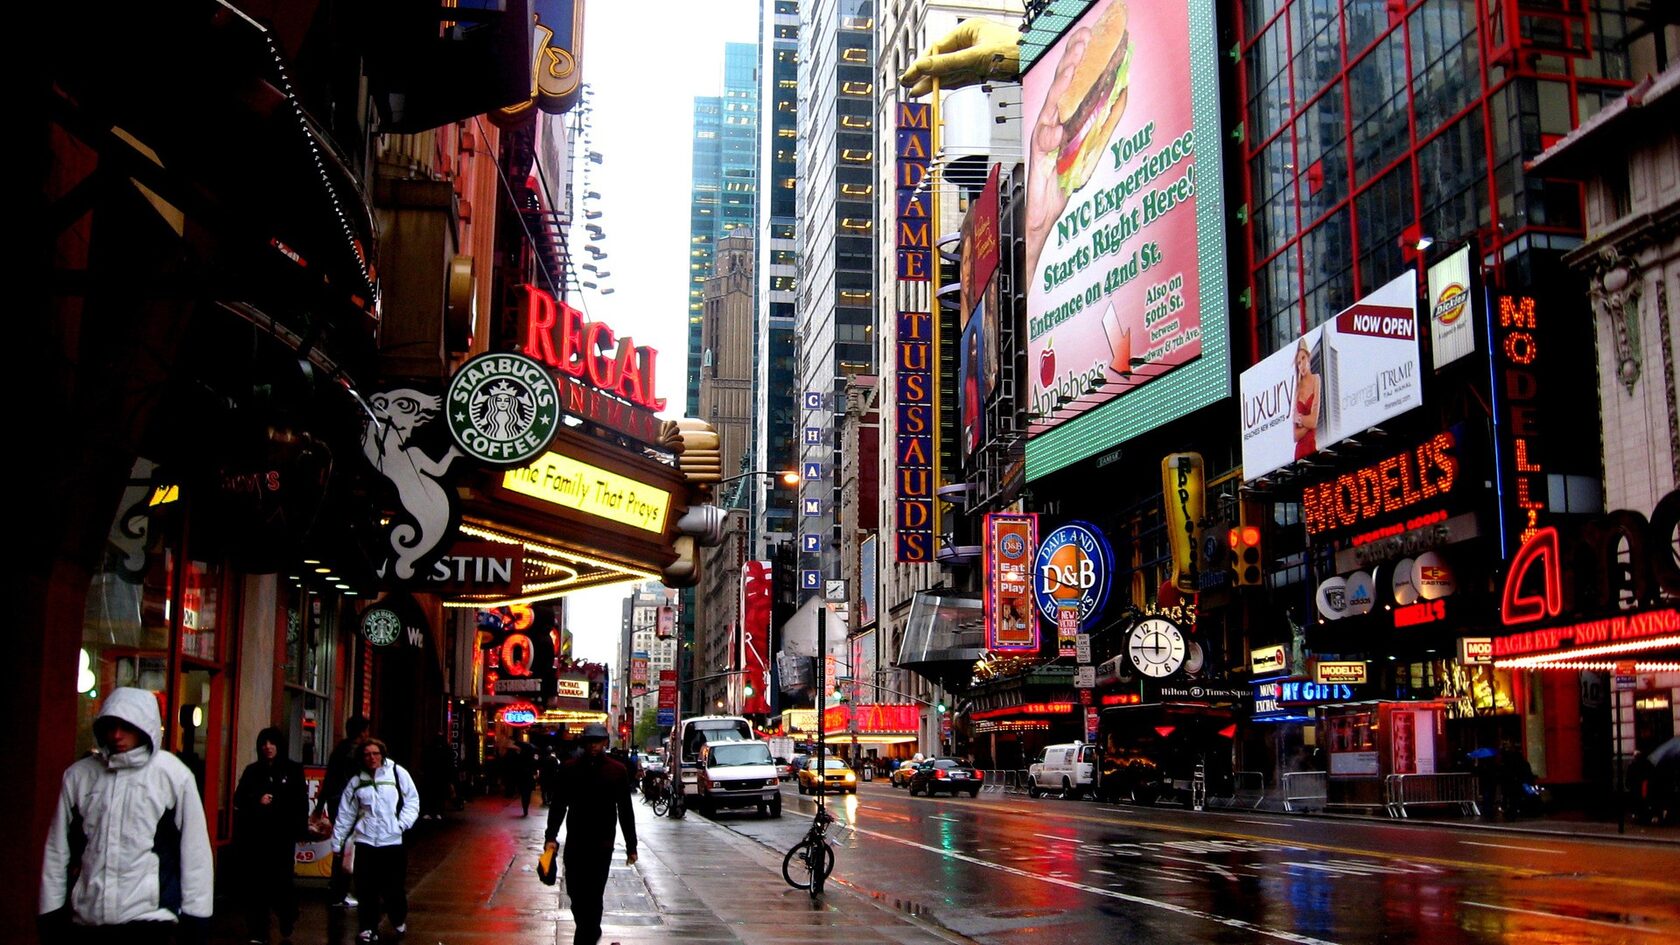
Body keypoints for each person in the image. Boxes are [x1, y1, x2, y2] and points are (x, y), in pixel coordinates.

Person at [39, 686, 214, 945]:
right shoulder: (79, 776)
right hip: (88, 921)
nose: (117, 735)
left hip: (151, 922)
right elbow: (57, 850)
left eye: (127, 727)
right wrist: (50, 912)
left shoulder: (172, 776)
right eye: (111, 727)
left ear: (145, 727)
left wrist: (197, 920)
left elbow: (195, 853)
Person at [543, 723, 637, 945]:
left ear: (604, 742)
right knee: (575, 893)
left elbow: (625, 810)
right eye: (590, 741)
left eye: (597, 741)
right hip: (576, 841)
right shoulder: (569, 769)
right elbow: (558, 805)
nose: (593, 746)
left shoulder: (617, 771)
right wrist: (551, 836)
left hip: (602, 843)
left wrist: (631, 845)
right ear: (584, 743)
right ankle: (590, 931)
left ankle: (586, 935)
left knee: (594, 894)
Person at [331, 738, 419, 943]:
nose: (371, 758)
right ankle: (368, 927)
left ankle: (398, 918)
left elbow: (412, 800)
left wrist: (401, 824)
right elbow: (346, 813)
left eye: (375, 753)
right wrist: (337, 842)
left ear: (382, 755)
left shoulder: (397, 773)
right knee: (366, 889)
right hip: (366, 842)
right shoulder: (356, 781)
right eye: (367, 754)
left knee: (393, 888)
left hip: (392, 842)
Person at [233, 727, 308, 943]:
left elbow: (300, 801)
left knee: (282, 881)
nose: (268, 747)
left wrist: (301, 830)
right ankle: (259, 931)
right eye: (264, 744)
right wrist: (257, 799)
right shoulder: (252, 771)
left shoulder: (293, 770)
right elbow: (239, 799)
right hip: (257, 837)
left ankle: (287, 915)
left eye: (272, 743)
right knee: (257, 885)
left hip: (282, 837)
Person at [314, 713, 370, 907]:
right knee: (348, 847)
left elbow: (329, 779)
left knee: (341, 844)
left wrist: (320, 806)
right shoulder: (355, 754)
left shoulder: (339, 749)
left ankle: (337, 888)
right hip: (348, 803)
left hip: (335, 801)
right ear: (362, 732)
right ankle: (340, 891)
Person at [1292, 339, 1321, 460]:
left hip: (1312, 446)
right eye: (1298, 363)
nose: (1301, 365)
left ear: (1308, 357)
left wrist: (1300, 419)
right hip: (1300, 451)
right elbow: (1295, 436)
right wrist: (1308, 422)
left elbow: (1314, 421)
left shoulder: (1316, 379)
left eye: (1303, 358)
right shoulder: (1297, 390)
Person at [420, 735, 456, 821]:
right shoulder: (446, 749)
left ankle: (430, 812)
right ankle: (438, 812)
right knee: (439, 794)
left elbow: (425, 760)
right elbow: (450, 763)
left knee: (430, 793)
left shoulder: (430, 748)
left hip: (431, 775)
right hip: (440, 775)